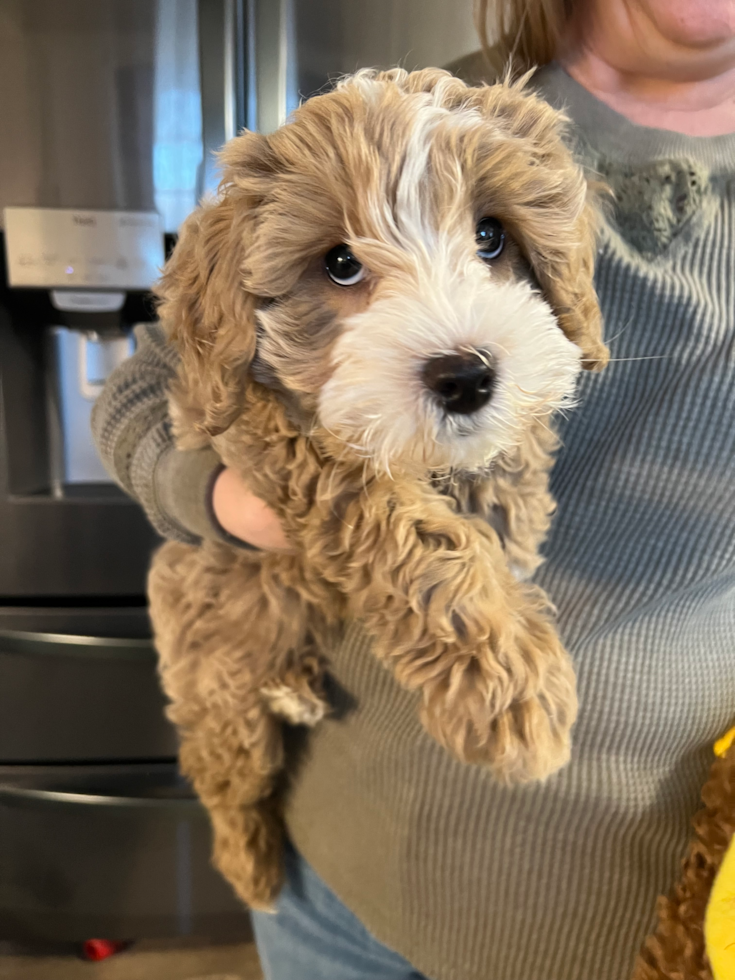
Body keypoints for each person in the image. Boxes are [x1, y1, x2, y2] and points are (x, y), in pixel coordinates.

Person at [92, 0, 735, 976]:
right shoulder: (430, 103)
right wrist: (239, 496)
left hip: (622, 907)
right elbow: (158, 383)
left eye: (489, 242)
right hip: (336, 855)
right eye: (346, 264)